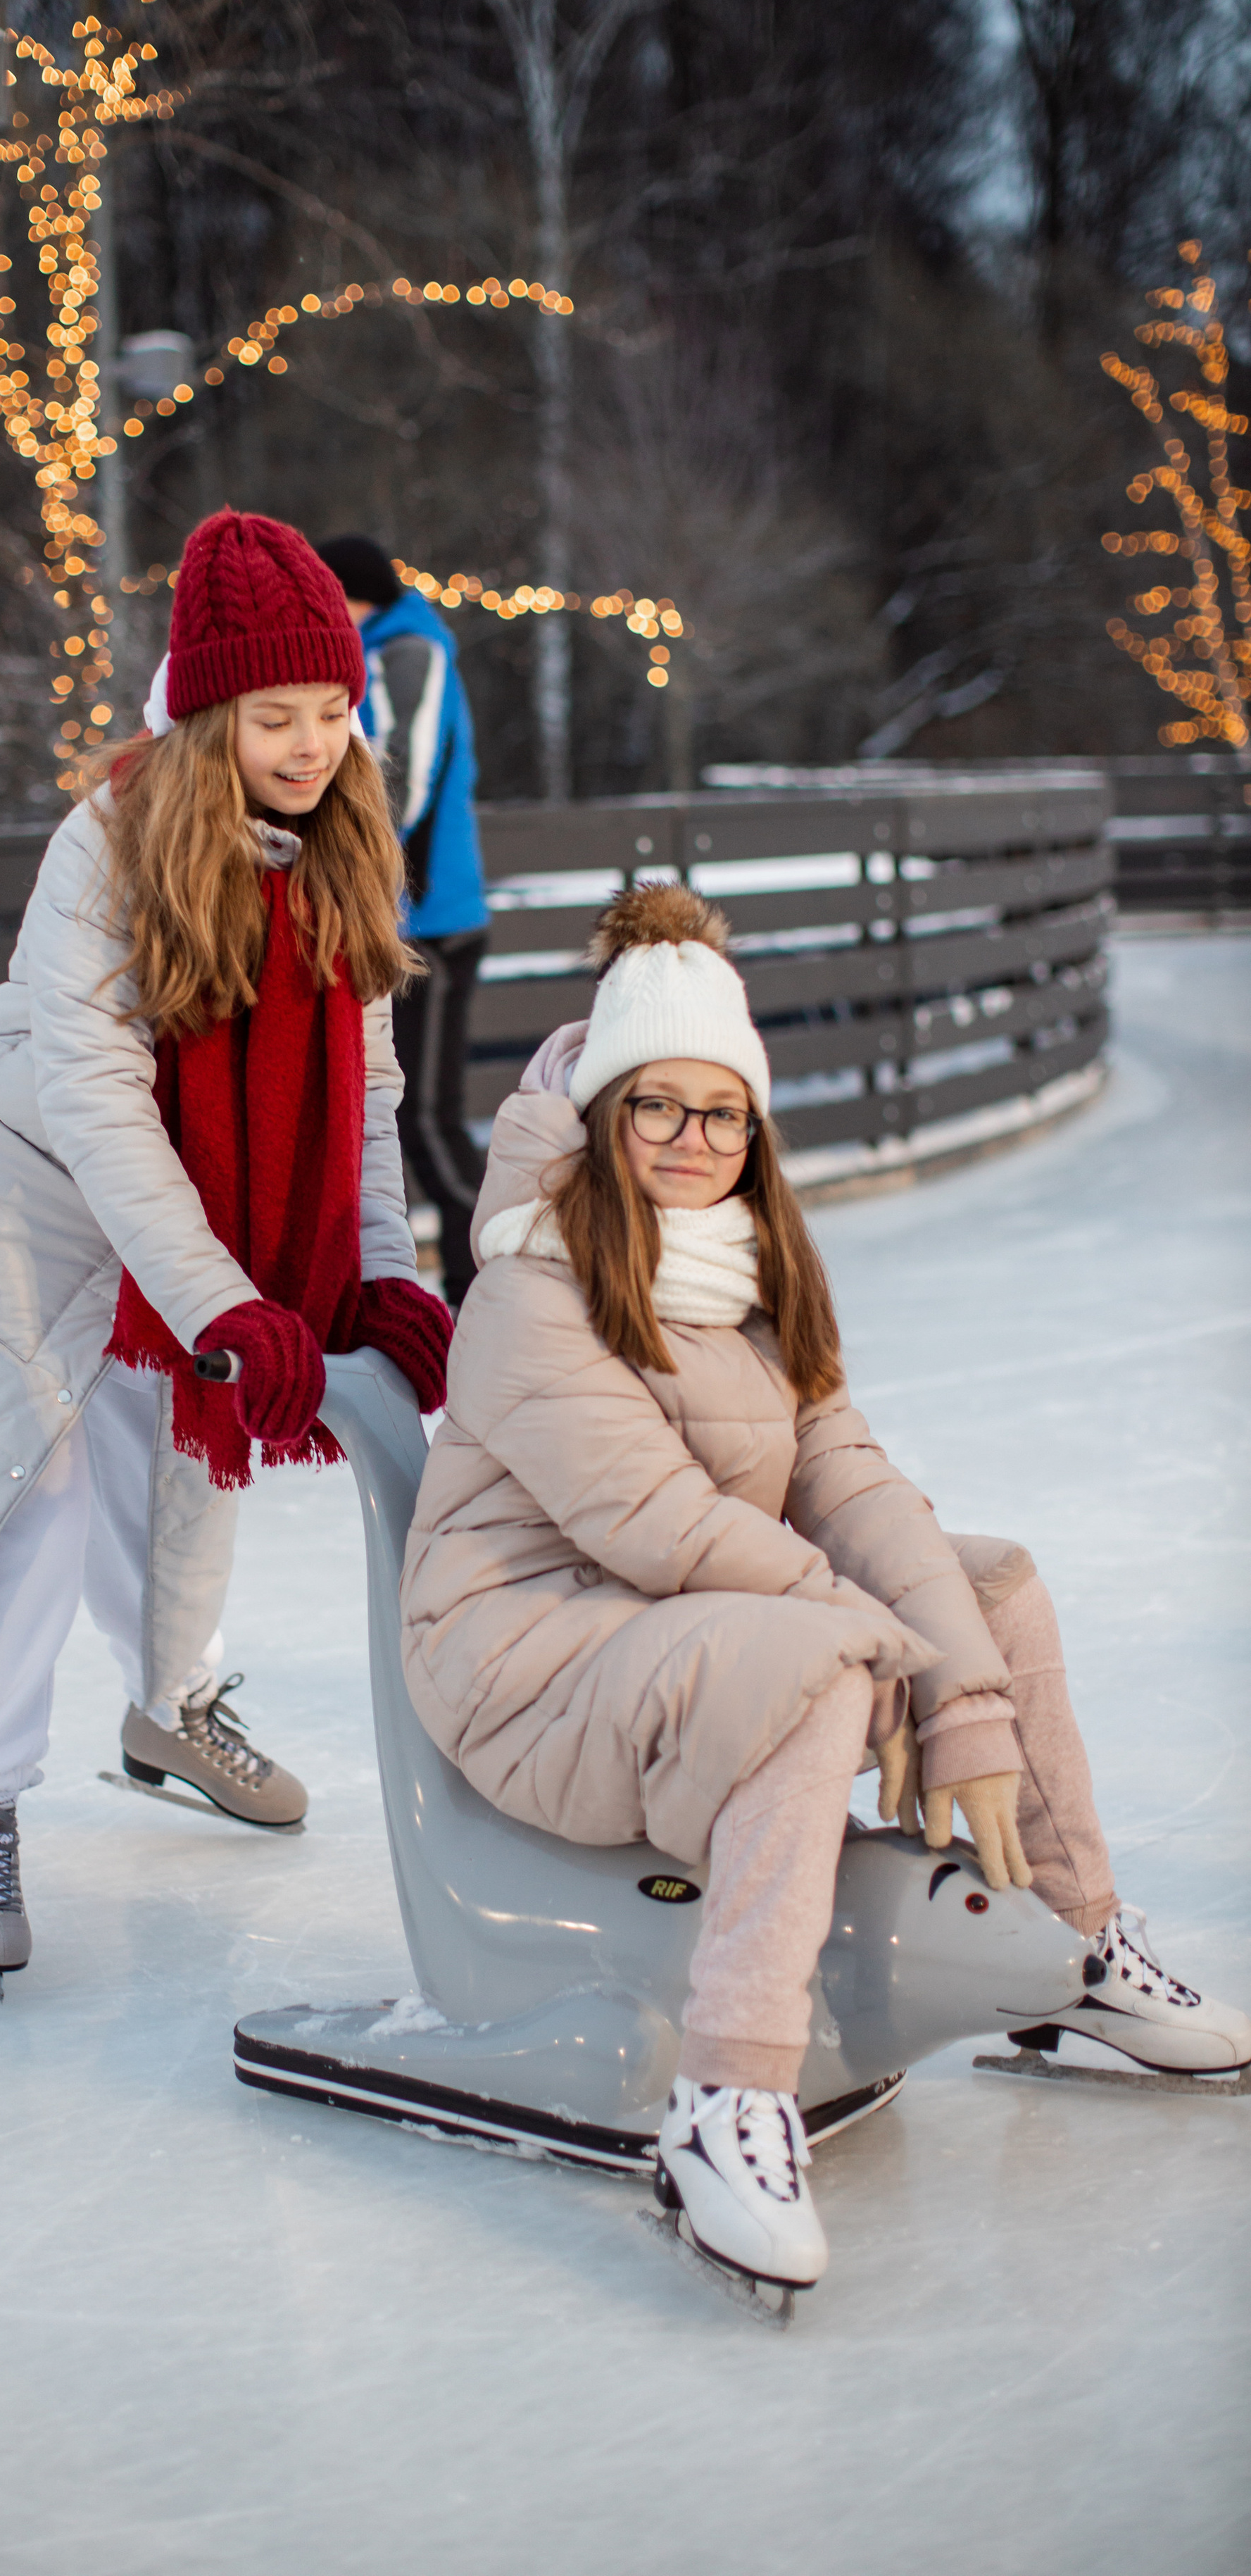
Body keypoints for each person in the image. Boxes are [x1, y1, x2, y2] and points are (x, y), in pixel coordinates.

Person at [398, 880, 1250, 2294]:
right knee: (819, 1660)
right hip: (525, 1651)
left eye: (720, 1111)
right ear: (605, 1114)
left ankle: (1072, 1942)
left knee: (993, 1590)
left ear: (753, 1127)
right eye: (654, 1106)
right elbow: (661, 1525)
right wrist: (888, 1655)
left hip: (683, 1626)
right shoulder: (527, 1285)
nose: (689, 1140)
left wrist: (958, 1676)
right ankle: (728, 2097)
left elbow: (849, 1486)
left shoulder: (748, 1274)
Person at [0, 510, 454, 1992]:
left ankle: (170, 1708)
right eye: (275, 715)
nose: (310, 744)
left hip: (184, 1206)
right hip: (22, 1190)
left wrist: (382, 1272)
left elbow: (366, 1096)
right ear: (207, 710)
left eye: (334, 710)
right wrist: (228, 1296)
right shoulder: (105, 844)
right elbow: (99, 1109)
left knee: (190, 1447)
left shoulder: (345, 842)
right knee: (33, 1483)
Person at [315, 534, 489, 1308]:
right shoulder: (382, 649)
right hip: (402, 919)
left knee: (423, 1119)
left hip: (431, 922)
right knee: (396, 1115)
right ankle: (472, 1281)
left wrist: (353, 871)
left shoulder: (408, 649)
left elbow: (400, 788)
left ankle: (490, 1281)